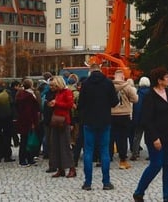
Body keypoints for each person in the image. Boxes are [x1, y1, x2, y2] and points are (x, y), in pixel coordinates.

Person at [132, 67, 168, 202]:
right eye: (166, 77)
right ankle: (139, 191)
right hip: (156, 137)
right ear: (159, 80)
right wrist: (155, 138)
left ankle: (167, 197)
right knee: (156, 165)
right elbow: (146, 120)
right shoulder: (150, 96)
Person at [78, 63, 118, 191]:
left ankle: (87, 182)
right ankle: (106, 182)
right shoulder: (108, 83)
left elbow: (81, 104)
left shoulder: (86, 84)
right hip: (104, 120)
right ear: (100, 70)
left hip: (89, 121)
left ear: (90, 70)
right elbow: (114, 102)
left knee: (88, 152)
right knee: (104, 151)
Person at [45, 75, 75, 178]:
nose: (51, 87)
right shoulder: (58, 93)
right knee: (55, 145)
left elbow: (70, 105)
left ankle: (71, 168)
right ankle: (60, 168)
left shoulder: (67, 92)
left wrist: (56, 103)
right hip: (56, 120)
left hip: (64, 121)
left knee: (65, 145)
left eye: (53, 85)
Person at [111, 69, 138, 169]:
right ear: (123, 77)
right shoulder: (127, 87)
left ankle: (107, 159)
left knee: (110, 137)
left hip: (112, 114)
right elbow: (135, 99)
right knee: (123, 138)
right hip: (124, 114)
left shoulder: (110, 86)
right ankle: (123, 160)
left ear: (114, 76)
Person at [15, 78, 41, 167]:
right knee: (28, 140)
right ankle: (27, 159)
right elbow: (34, 109)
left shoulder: (19, 94)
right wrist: (34, 122)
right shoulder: (30, 96)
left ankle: (24, 159)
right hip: (29, 120)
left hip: (22, 120)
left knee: (24, 140)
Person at [0, 79, 16, 163]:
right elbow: (12, 104)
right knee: (7, 137)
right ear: (3, 84)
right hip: (7, 118)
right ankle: (7, 156)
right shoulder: (7, 92)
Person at [130, 76, 152, 161]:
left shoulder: (139, 93)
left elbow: (137, 107)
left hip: (140, 118)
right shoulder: (151, 93)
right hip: (149, 118)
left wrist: (136, 119)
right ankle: (151, 153)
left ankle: (135, 153)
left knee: (137, 136)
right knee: (149, 137)